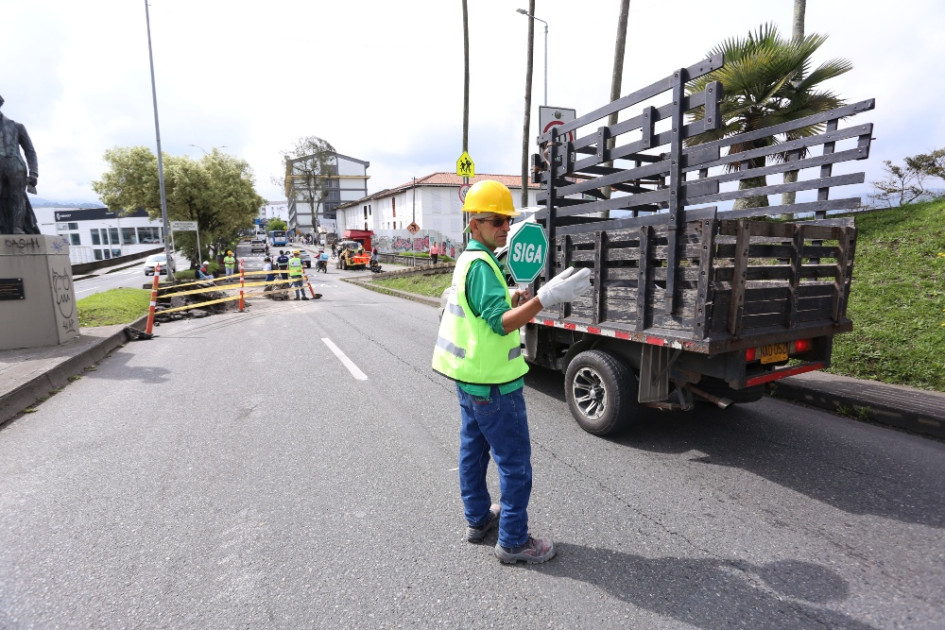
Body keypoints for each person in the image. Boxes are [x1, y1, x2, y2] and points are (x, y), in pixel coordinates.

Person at [431, 180, 591, 565]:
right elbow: (500, 324)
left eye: (507, 220)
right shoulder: (483, 266)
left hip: (471, 381)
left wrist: (514, 296)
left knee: (473, 452)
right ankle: (514, 542)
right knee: (515, 466)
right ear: (475, 224)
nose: (505, 227)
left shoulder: (472, 259)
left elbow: (484, 310)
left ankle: (477, 520)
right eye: (496, 220)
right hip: (495, 386)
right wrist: (542, 299)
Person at [0, 95, 40, 235]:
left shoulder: (17, 126)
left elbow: (30, 151)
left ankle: (17, 227)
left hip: (15, 166)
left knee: (17, 197)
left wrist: (34, 173)